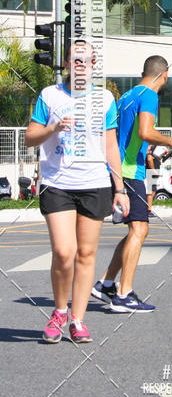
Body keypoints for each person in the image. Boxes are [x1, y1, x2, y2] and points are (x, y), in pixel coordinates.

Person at [25, 42, 129, 344]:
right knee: (63, 251)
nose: (81, 64)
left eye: (86, 60)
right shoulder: (50, 95)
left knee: (86, 254)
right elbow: (31, 137)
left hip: (94, 183)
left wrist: (119, 188)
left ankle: (78, 319)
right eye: (76, 60)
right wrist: (53, 128)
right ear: (68, 64)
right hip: (57, 183)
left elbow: (110, 146)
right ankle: (59, 311)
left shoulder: (105, 98)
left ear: (93, 63)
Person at [92, 55, 172, 312]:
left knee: (134, 230)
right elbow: (144, 132)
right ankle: (123, 294)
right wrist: (171, 141)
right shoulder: (149, 95)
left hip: (122, 167)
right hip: (130, 171)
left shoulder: (128, 95)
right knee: (140, 231)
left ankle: (106, 284)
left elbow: (127, 135)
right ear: (164, 74)